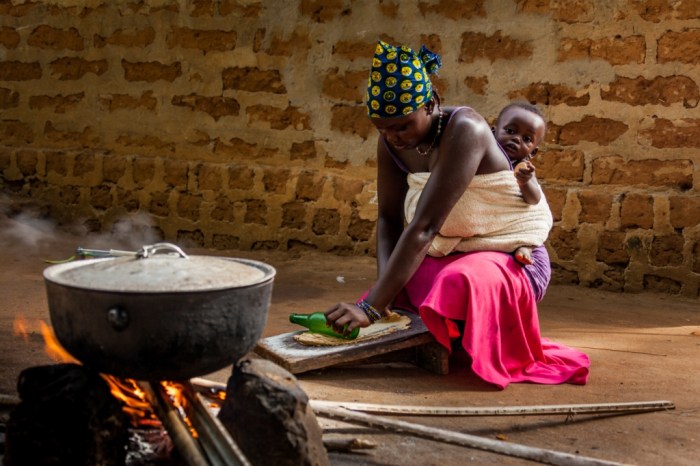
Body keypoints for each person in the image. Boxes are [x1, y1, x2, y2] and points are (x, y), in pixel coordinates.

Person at [324, 40, 589, 389]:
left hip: (513, 255)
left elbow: (425, 226)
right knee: (402, 282)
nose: (392, 137)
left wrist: (372, 308)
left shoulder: (466, 129)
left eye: (402, 126)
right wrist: (383, 298)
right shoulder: (391, 140)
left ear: (431, 103)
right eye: (382, 128)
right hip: (453, 248)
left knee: (456, 282)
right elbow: (388, 219)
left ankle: (465, 339)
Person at [492, 102, 547, 267]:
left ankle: (524, 247)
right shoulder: (482, 156)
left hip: (510, 221)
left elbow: (534, 200)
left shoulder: (523, 167)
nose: (516, 138)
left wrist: (525, 182)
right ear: (492, 132)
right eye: (510, 131)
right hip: (489, 215)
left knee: (529, 230)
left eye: (527, 139)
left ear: (533, 152)